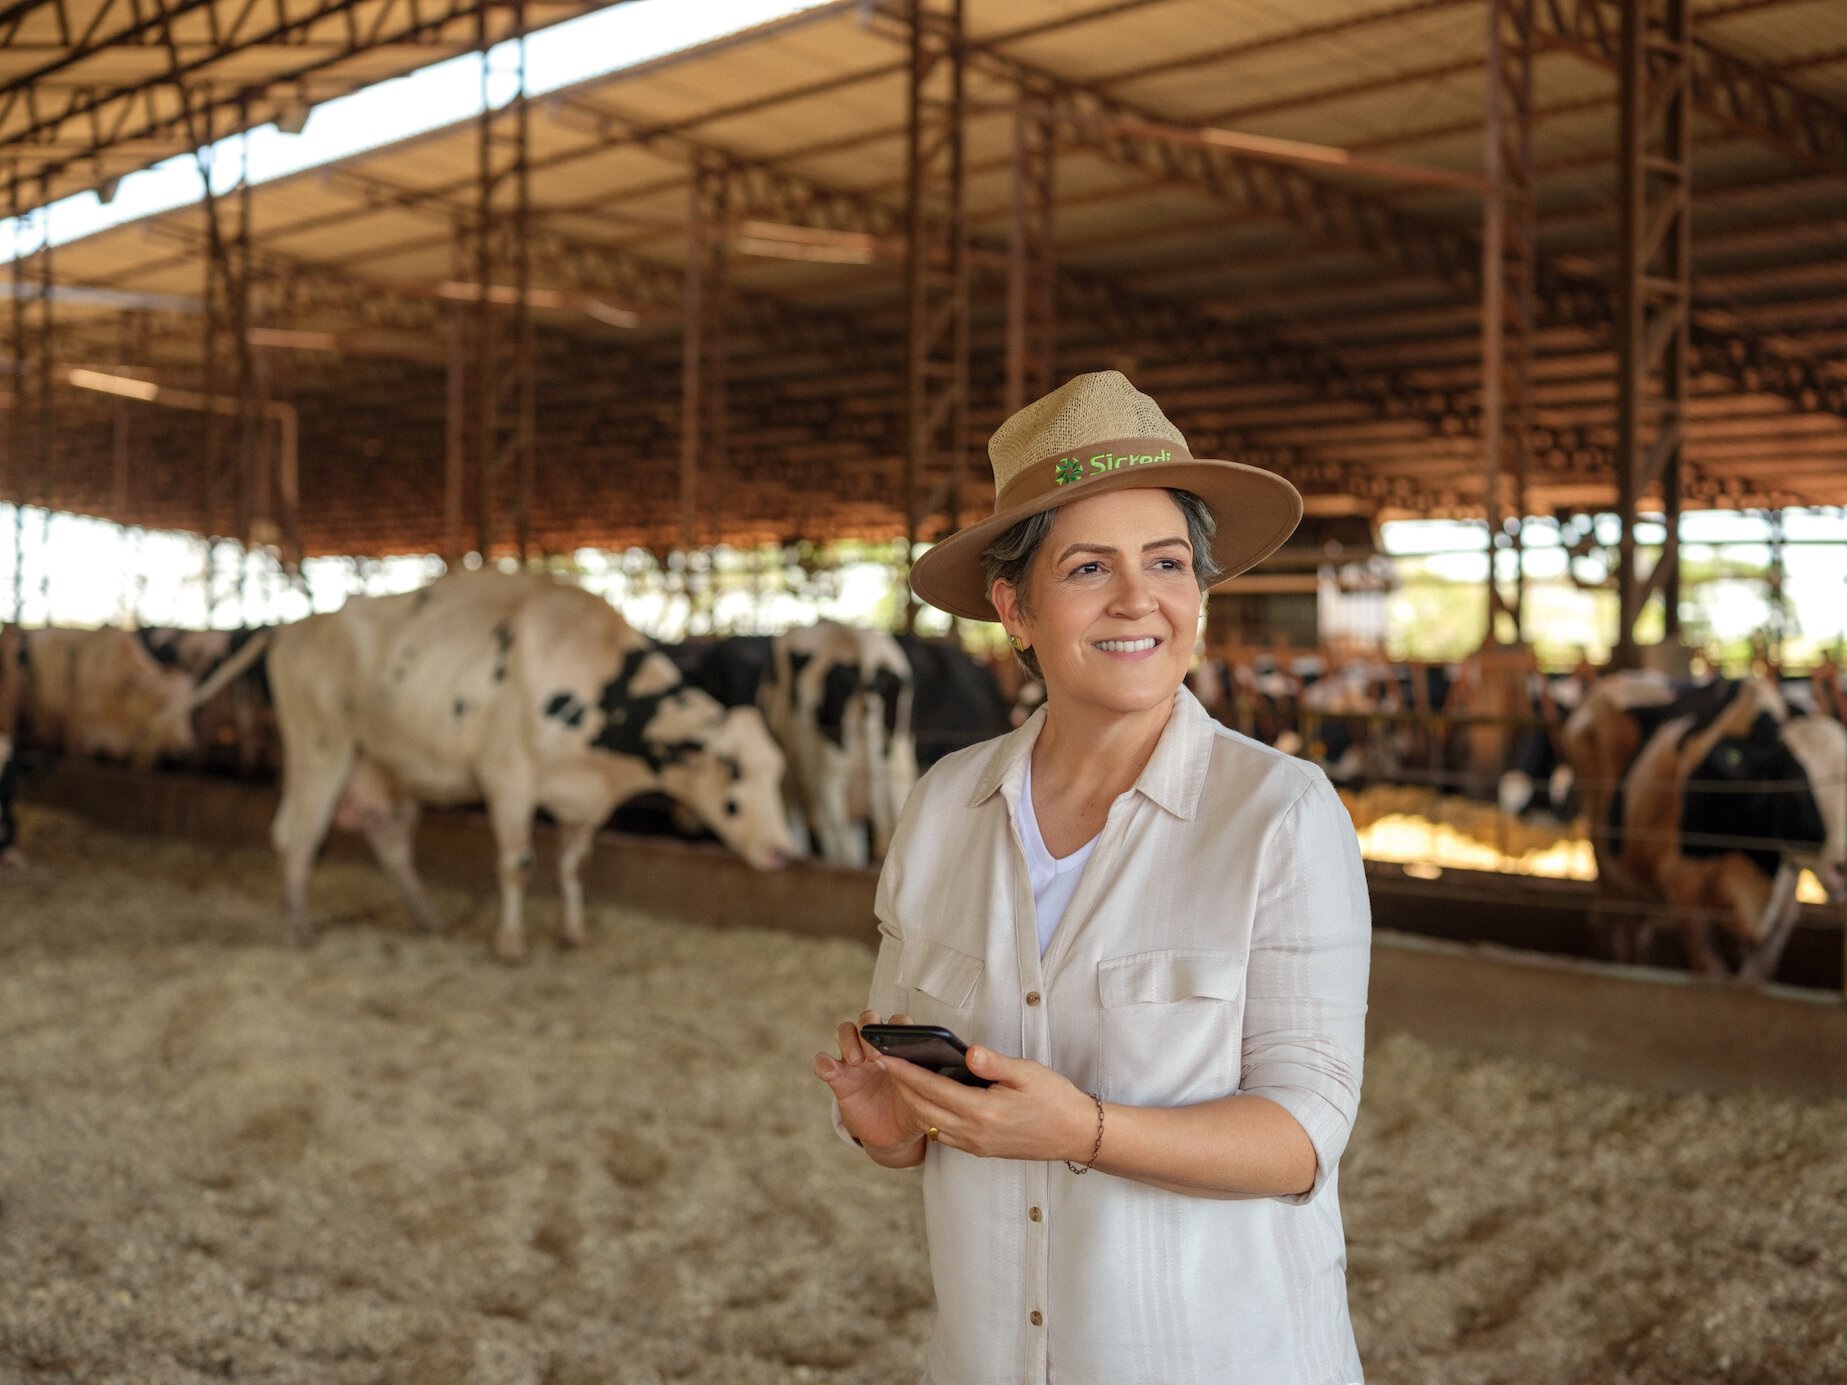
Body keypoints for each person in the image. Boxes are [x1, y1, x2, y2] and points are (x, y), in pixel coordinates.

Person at [813, 371, 1371, 1384]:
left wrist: (1084, 1129)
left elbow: (1302, 1131)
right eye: (1085, 568)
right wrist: (885, 1122)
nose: (1135, 599)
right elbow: (920, 1119)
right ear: (1012, 608)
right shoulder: (942, 807)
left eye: (1165, 562)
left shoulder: (1279, 813)